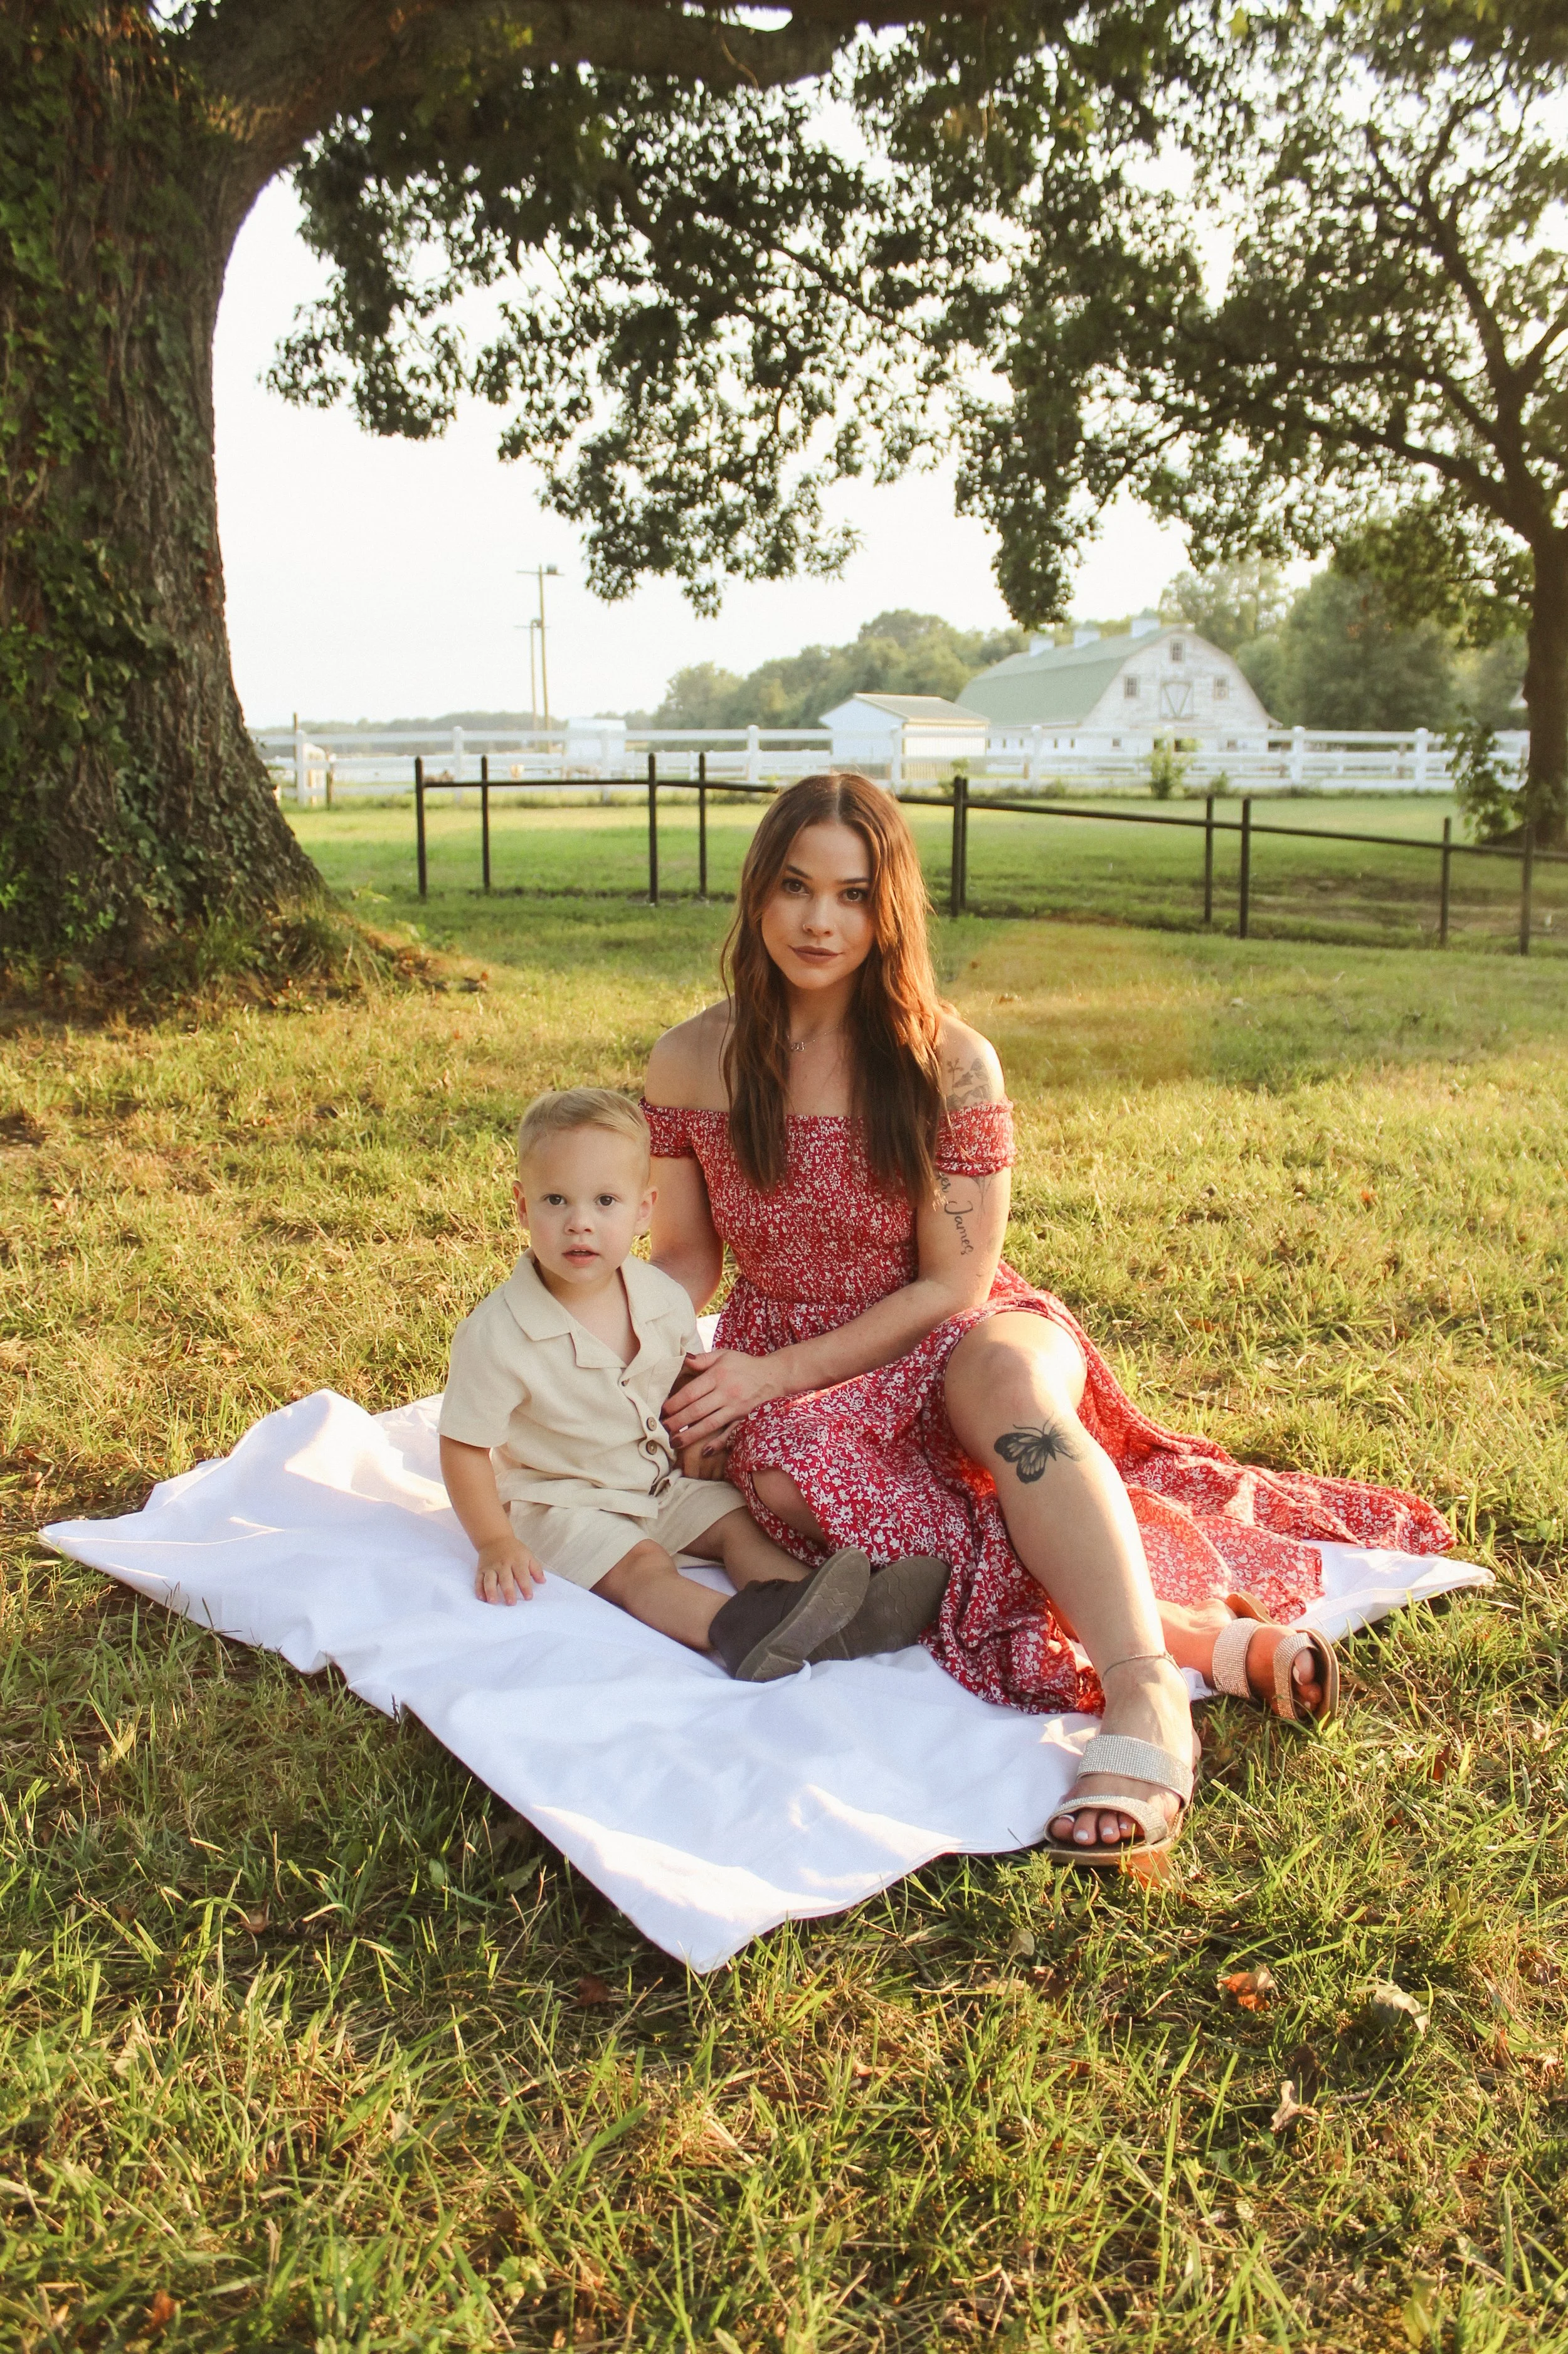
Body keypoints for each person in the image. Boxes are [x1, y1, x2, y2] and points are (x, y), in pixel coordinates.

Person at [642, 776, 1452, 1861]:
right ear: (758, 892)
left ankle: (1144, 1691)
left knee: (1011, 1395)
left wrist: (772, 1373)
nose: (819, 921)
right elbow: (686, 1259)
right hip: (785, 1350)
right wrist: (616, 1346)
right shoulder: (694, 1057)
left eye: (851, 893)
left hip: (952, 1323)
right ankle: (1210, 1642)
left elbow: (952, 1287)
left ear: (890, 911)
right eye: (794, 887)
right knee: (785, 1472)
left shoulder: (949, 1059)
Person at [438, 1086, 948, 1681]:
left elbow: (681, 1381)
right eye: (557, 1201)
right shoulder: (499, 1334)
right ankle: (738, 1628)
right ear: (524, 1209)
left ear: (645, 1209)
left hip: (656, 1482)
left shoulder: (661, 1299)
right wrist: (494, 1540)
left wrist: (698, 1442)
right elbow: (463, 1446)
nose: (580, 1223)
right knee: (645, 1566)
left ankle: (826, 1613)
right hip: (564, 1501)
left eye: (606, 1201)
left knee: (736, 1522)